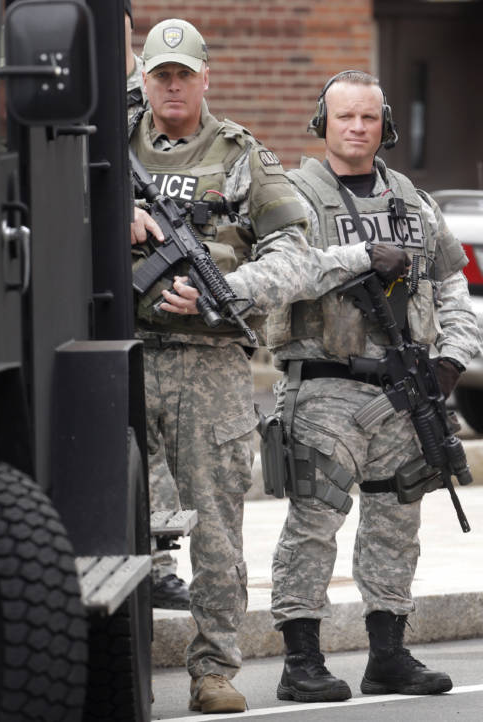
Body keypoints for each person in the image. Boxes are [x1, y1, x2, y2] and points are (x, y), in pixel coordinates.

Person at [128, 20, 407, 714]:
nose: (171, 84)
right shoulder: (97, 152)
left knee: (217, 527)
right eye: (160, 73)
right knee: (111, 521)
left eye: (183, 74)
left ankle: (214, 670)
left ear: (204, 79)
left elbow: (294, 257)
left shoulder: (244, 156)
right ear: (142, 78)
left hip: (211, 361)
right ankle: (108, 664)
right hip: (119, 355)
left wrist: (231, 290)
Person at [258, 70, 480, 703]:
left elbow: (454, 286)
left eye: (369, 119)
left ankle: (388, 654)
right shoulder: (292, 197)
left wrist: (451, 360)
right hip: (324, 387)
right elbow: (283, 277)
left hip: (405, 392)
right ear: (320, 123)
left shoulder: (414, 200)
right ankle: (301, 660)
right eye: (344, 117)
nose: (357, 129)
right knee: (312, 524)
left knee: (396, 522)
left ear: (386, 126)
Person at [124, 0, 190, 613]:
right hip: (97, 309)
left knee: (155, 446)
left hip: (156, 315)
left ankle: (162, 561)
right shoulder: (103, 117)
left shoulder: (148, 119)